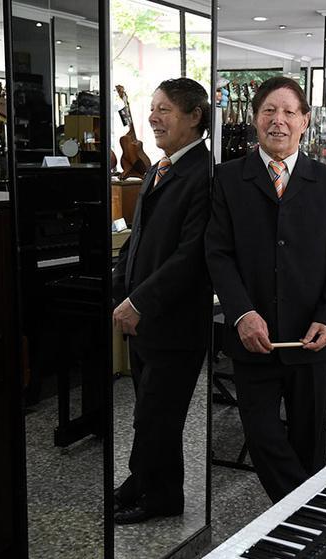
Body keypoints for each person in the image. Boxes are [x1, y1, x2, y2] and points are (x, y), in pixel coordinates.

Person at [205, 76, 326, 502]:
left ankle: (300, 534)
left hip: (310, 340)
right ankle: (313, 517)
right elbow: (218, 255)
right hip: (254, 339)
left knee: (310, 444)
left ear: (305, 121)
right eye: (269, 111)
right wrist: (241, 314)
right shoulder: (227, 179)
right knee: (263, 436)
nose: (279, 120)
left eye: (290, 112)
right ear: (255, 120)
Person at [111, 78, 212, 524]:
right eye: (153, 108)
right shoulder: (158, 167)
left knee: (159, 416)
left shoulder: (204, 175)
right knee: (146, 412)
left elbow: (190, 257)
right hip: (145, 319)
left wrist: (140, 302)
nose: (153, 117)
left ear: (194, 117)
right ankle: (144, 482)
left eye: (165, 109)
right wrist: (120, 287)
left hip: (175, 322)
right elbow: (140, 241)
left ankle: (161, 498)